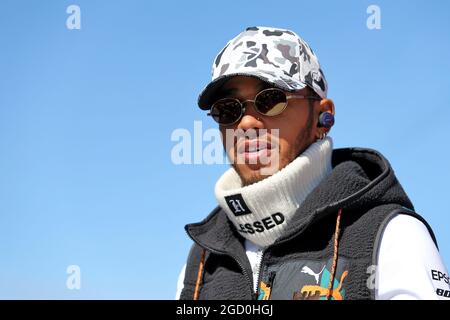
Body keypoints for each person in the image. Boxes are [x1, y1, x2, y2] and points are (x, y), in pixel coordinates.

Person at [176, 26, 450, 300]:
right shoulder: (202, 262)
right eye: (228, 109)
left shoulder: (392, 236)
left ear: (323, 116)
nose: (246, 123)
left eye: (271, 99)